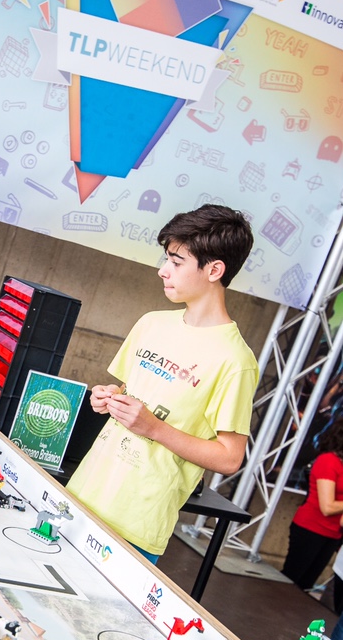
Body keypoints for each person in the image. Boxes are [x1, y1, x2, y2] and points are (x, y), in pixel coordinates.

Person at [67, 204, 259, 563]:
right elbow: (133, 394)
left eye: (176, 261)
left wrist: (153, 428)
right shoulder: (152, 323)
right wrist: (109, 398)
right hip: (80, 494)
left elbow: (230, 459)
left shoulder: (236, 361)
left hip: (136, 525)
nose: (162, 271)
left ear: (214, 269)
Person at [281, 420, 343, 591]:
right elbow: (327, 507)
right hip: (310, 529)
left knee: (305, 586)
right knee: (292, 580)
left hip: (332, 535)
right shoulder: (328, 461)